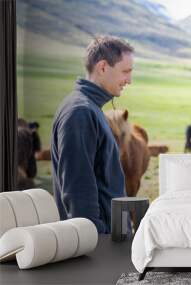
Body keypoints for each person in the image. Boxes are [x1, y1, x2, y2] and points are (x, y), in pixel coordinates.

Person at [51, 36, 134, 233]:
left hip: (110, 238)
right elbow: (78, 191)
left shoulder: (90, 109)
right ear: (103, 67)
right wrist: (99, 243)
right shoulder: (80, 113)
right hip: (100, 245)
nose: (129, 80)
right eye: (126, 71)